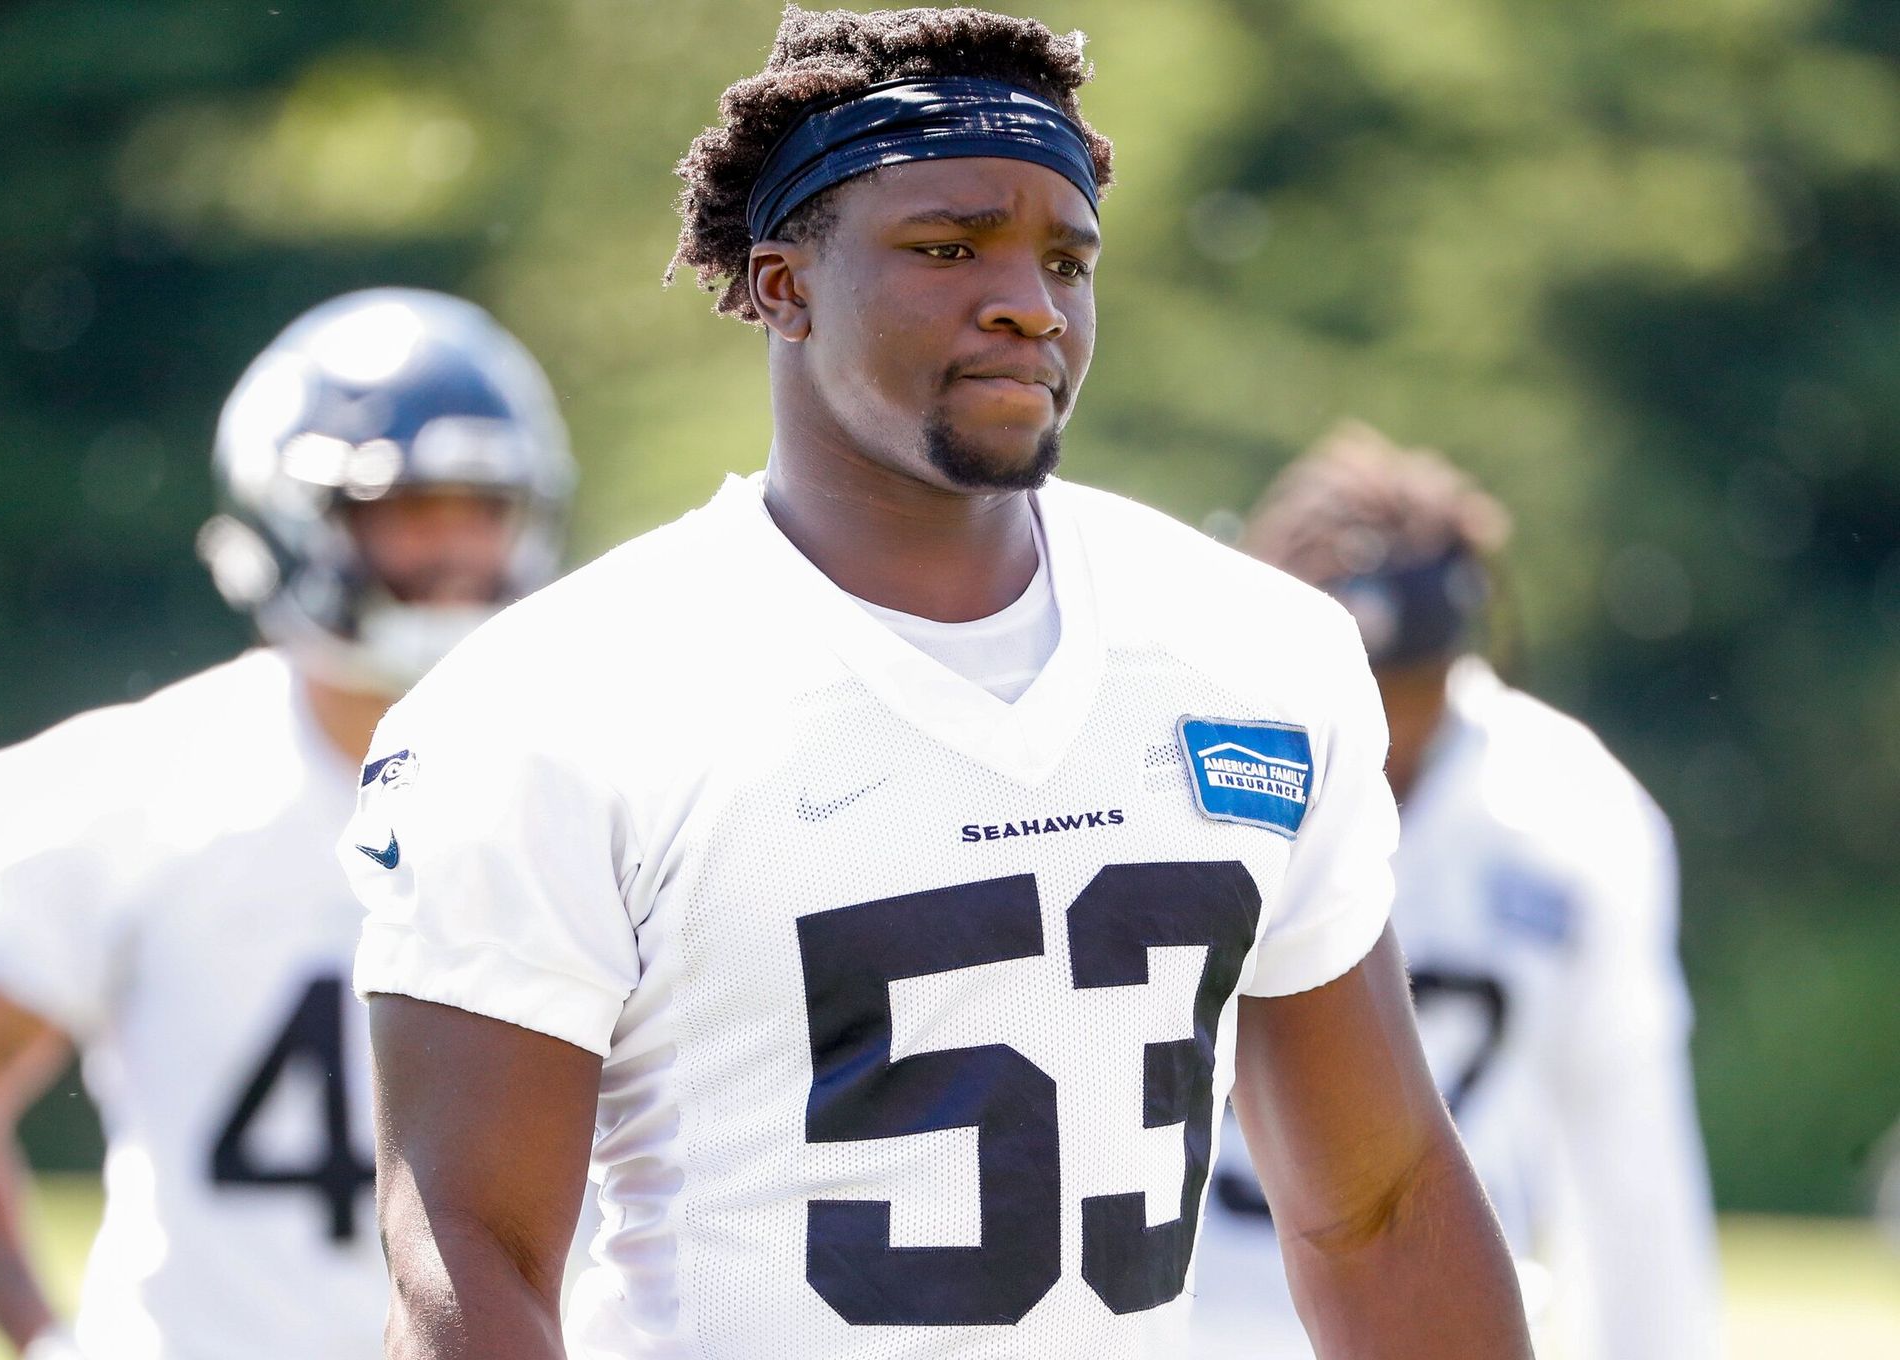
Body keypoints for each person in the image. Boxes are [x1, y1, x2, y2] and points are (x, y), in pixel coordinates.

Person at [344, 9, 1532, 1359]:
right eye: (947, 247)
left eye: (1066, 257)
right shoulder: (555, 705)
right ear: (782, 285)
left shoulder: (1259, 653)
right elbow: (469, 1262)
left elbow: (1377, 1210)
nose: (1029, 299)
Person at [0, 289, 577, 1360]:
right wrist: (43, 1340)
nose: (452, 550)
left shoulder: (605, 785)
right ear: (292, 517)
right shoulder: (121, 786)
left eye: (480, 508)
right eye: (407, 509)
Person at [1193, 422, 1721, 1358]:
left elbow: (1629, 1153)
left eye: (1404, 684)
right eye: (1350, 680)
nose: (1380, 726)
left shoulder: (1572, 808)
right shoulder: (1169, 757)